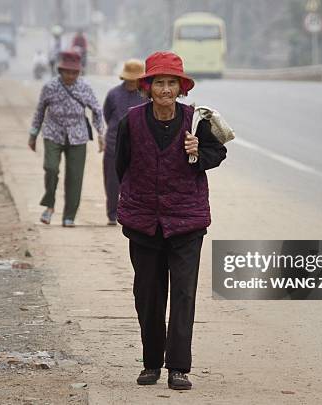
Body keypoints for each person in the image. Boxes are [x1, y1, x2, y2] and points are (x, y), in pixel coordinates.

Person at [115, 51, 227, 390]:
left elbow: (217, 153)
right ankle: (151, 363)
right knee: (148, 295)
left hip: (186, 222)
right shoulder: (131, 121)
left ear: (181, 88)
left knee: (183, 295)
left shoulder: (197, 121)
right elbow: (122, 167)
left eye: (171, 83)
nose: (165, 89)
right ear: (148, 88)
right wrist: (137, 201)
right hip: (145, 223)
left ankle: (178, 367)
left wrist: (198, 152)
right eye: (159, 83)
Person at [29, 50, 104, 227]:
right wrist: (33, 134)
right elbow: (40, 110)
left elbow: (97, 110)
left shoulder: (84, 87)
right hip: (53, 132)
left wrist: (101, 133)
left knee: (75, 177)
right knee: (51, 168)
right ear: (60, 71)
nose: (70, 76)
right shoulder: (50, 87)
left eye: (74, 72)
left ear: (79, 72)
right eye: (67, 72)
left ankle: (69, 215)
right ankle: (49, 205)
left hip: (78, 135)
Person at [101, 59, 145, 225]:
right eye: (130, 79)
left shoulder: (146, 96)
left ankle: (134, 214)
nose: (132, 83)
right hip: (114, 144)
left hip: (140, 146)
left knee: (138, 183)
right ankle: (112, 214)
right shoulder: (113, 94)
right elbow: (107, 115)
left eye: (135, 80)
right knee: (112, 182)